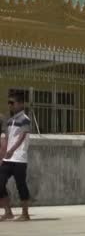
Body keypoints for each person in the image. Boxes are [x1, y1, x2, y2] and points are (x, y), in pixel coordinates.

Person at [0, 92, 32, 222]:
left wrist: (12, 150)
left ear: (20, 104)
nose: (10, 105)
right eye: (9, 103)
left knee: (21, 185)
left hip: (19, 158)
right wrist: (2, 155)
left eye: (12, 103)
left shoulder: (25, 119)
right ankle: (8, 212)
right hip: (8, 158)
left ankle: (25, 214)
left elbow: (22, 136)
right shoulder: (10, 121)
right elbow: (7, 139)